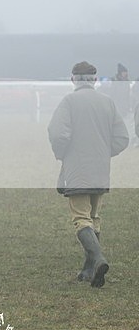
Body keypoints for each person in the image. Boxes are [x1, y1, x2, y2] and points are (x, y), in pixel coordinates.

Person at [48, 61, 129, 288]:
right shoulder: (107, 102)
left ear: (73, 79)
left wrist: (62, 154)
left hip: (77, 169)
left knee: (81, 218)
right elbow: (122, 138)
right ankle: (89, 269)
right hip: (100, 169)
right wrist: (103, 152)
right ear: (94, 79)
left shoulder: (69, 102)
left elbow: (57, 134)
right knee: (94, 217)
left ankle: (98, 259)